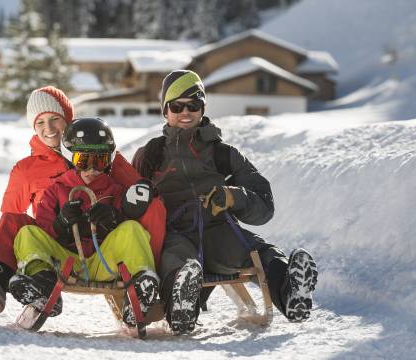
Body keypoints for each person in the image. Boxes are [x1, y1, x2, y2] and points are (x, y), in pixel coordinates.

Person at [132, 70, 318, 334]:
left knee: (258, 252)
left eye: (193, 105)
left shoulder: (223, 154)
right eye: (177, 106)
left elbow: (265, 205)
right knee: (178, 260)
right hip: (173, 232)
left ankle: (291, 292)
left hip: (218, 230)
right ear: (165, 111)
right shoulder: (150, 154)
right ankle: (181, 309)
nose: (185, 112)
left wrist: (234, 196)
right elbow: (130, 199)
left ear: (203, 108)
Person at [8, 118, 159, 327]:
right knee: (27, 233)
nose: (91, 168)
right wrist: (61, 224)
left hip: (103, 262)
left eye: (99, 161)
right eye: (83, 160)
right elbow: (43, 228)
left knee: (133, 229)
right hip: (64, 263)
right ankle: (42, 283)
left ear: (108, 161)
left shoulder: (115, 191)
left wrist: (114, 219)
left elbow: (126, 234)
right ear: (70, 158)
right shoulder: (56, 190)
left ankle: (142, 287)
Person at [0, 86, 74, 315]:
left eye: (55, 119)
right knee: (12, 220)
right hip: (50, 243)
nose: (48, 128)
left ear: (68, 119)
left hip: (94, 241)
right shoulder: (26, 169)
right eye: (40, 122)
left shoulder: (94, 151)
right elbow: (11, 216)